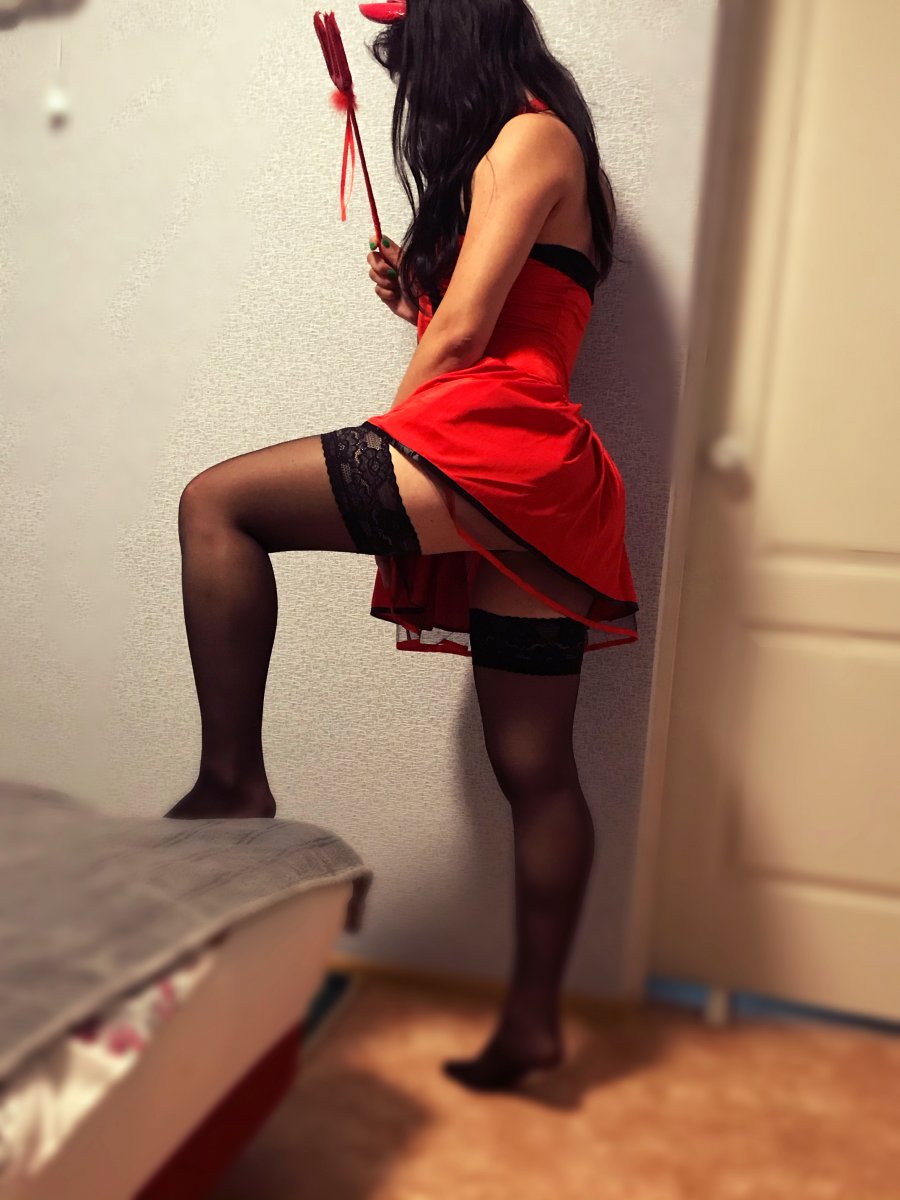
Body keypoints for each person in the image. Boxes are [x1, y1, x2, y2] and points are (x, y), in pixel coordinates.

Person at [165, 0, 639, 1091]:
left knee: (216, 505)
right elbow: (503, 316)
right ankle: (533, 1026)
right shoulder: (542, 142)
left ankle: (233, 782)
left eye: (409, 50)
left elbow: (469, 338)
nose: (404, 75)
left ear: (455, 37)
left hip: (500, 446)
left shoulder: (529, 136)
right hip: (542, 478)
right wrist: (415, 297)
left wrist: (398, 425)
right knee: (535, 769)